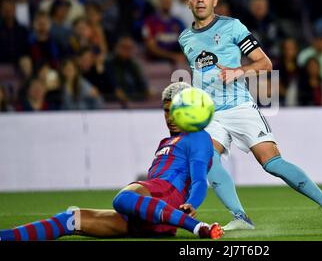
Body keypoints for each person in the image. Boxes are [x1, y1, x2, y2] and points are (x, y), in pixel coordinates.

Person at [179, 0, 322, 231]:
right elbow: (199, 74)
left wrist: (237, 71)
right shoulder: (185, 38)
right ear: (188, 2)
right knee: (208, 160)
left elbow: (265, 64)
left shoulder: (233, 27)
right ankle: (240, 217)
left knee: (272, 164)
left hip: (239, 106)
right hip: (210, 115)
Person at [0, 82, 224, 241]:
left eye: (176, 111)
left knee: (124, 197)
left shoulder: (198, 137)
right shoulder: (166, 141)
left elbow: (199, 180)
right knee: (69, 220)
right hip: (147, 216)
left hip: (166, 199)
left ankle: (197, 228)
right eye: (166, 111)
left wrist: (192, 204)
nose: (170, 117)